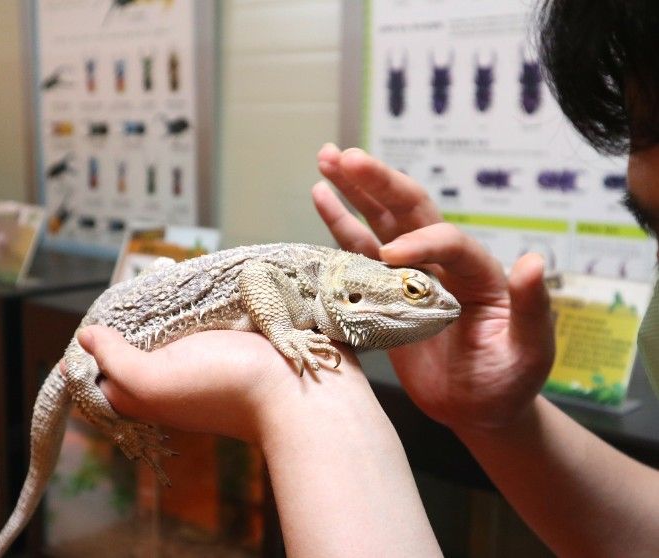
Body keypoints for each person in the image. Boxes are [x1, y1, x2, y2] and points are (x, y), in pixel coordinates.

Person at [73, 1, 659, 556]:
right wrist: (496, 420)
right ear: (355, 291)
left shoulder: (324, 298)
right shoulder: (304, 288)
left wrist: (292, 398)